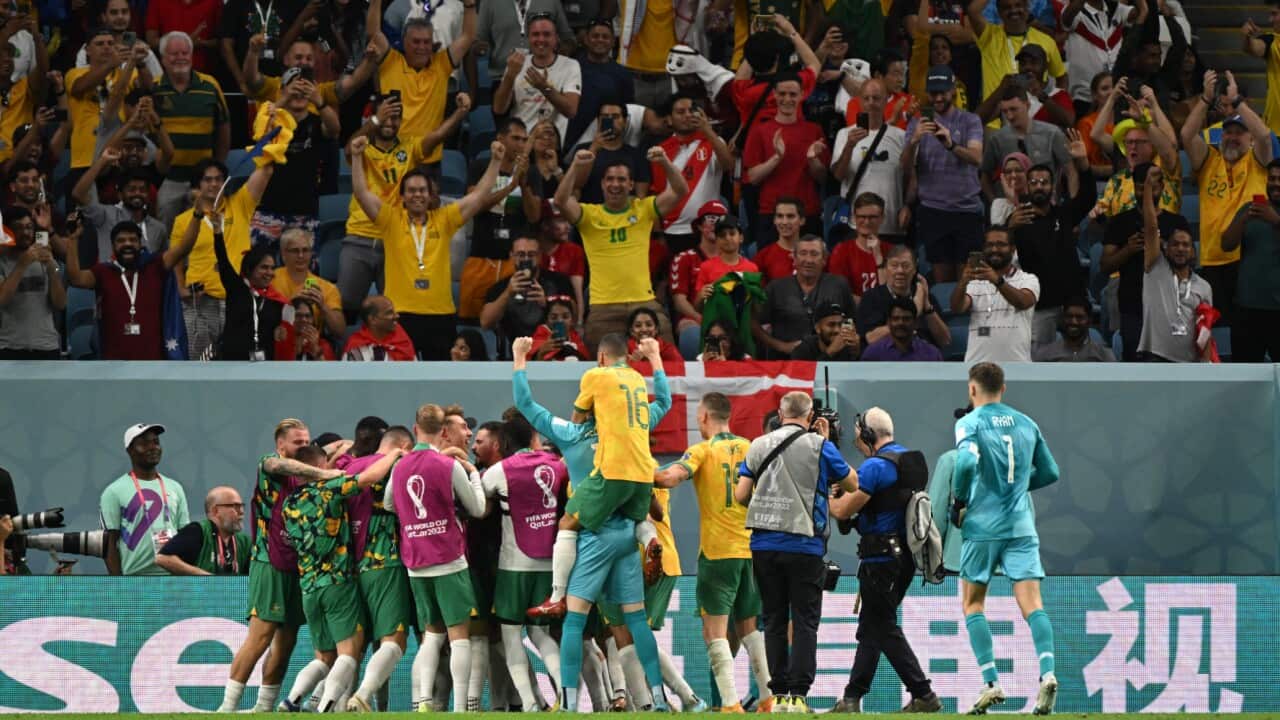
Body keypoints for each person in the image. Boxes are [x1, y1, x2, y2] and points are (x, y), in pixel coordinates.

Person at [510, 336, 674, 712]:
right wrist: (656, 359)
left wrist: (520, 358)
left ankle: (568, 701)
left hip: (593, 537)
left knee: (572, 620)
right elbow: (663, 401)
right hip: (626, 532)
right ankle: (658, 700)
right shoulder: (636, 422)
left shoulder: (571, 433)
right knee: (636, 623)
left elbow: (526, 404)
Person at [950, 362, 1060, 715]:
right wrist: (1017, 488)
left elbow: (966, 465)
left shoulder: (970, 422)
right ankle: (1047, 674)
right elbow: (1051, 472)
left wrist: (961, 500)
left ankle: (991, 682)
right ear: (1004, 388)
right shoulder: (1027, 423)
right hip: (1021, 527)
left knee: (973, 604)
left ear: (972, 389)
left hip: (982, 527)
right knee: (1033, 605)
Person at [734, 391, 854, 714]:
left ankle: (780, 694)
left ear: (780, 412)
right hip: (804, 545)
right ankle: (799, 696)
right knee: (804, 621)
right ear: (811, 414)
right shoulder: (819, 446)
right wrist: (826, 440)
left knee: (773, 619)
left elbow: (741, 495)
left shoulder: (758, 445)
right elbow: (852, 484)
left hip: (763, 545)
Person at [653, 393, 774, 713]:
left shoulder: (703, 451)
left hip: (718, 552)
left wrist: (633, 468)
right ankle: (767, 698)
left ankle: (730, 704)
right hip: (751, 550)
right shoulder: (752, 447)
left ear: (704, 416)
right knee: (749, 627)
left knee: (714, 631)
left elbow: (669, 478)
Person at [349, 136, 517, 360]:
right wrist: (358, 156)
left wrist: (496, 161)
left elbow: (478, 197)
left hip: (440, 314)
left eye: (422, 190)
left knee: (440, 385)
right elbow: (361, 193)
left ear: (430, 196)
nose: (417, 195)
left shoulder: (444, 219)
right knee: (403, 381)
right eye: (411, 191)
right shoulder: (390, 219)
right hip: (401, 314)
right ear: (403, 197)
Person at [217, 419, 335, 713]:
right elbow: (282, 467)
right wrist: (323, 471)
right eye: (297, 442)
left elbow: (331, 450)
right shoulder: (269, 464)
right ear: (280, 445)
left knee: (286, 642)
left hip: (298, 567)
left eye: (306, 441)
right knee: (260, 637)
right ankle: (227, 708)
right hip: (269, 562)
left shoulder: (304, 476)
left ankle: (264, 708)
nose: (303, 447)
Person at [829, 408, 942, 713]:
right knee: (871, 628)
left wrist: (830, 494)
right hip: (904, 557)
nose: (857, 444)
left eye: (858, 438)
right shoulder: (909, 462)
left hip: (880, 558)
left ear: (868, 436)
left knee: (882, 626)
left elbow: (841, 512)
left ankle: (924, 693)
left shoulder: (875, 468)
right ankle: (852, 698)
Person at [279, 445, 405, 713]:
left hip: (308, 588)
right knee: (349, 651)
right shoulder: (329, 489)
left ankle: (291, 700)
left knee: (324, 657)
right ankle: (327, 706)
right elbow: (368, 479)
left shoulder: (289, 502)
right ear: (319, 467)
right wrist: (394, 455)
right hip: (337, 583)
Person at [384, 403, 487, 712]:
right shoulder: (449, 465)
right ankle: (459, 708)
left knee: (431, 634)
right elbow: (478, 509)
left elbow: (389, 504)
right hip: (448, 558)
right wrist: (473, 474)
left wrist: (415, 522)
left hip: (416, 561)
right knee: (459, 637)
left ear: (415, 429)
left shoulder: (400, 466)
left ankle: (423, 702)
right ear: (443, 432)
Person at [555, 147, 687, 349]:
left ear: (631, 184)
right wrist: (575, 166)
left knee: (666, 362)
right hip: (603, 308)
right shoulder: (590, 214)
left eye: (622, 179)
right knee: (601, 369)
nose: (615, 184)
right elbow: (560, 201)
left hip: (645, 302)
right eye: (610, 179)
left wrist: (664, 162)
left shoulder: (644, 209)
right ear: (602, 184)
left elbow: (680, 190)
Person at [480, 414, 569, 712]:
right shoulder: (558, 466)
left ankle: (530, 703)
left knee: (510, 634)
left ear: (504, 442)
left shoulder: (498, 471)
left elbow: (479, 506)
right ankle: (565, 695)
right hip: (549, 563)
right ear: (532, 438)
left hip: (512, 564)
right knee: (541, 633)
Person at [1180, 70, 1273, 328]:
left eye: (1239, 133)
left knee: (1247, 331)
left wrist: (1237, 101)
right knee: (1212, 335)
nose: (1231, 137)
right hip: (1212, 261)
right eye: (1227, 132)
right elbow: (1187, 136)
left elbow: (1265, 136)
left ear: (1250, 139)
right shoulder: (1209, 160)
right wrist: (1205, 100)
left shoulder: (1258, 161)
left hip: (1249, 261)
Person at [172, 154, 274, 360]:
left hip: (237, 300)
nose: (214, 183)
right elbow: (176, 259)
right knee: (200, 362)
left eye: (219, 179)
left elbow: (266, 171)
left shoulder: (240, 204)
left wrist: (270, 139)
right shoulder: (184, 220)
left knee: (237, 360)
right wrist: (181, 288)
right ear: (197, 185)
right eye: (208, 179)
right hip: (200, 300)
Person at [63, 216, 197, 360]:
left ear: (140, 244)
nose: (128, 244)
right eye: (121, 241)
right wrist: (73, 239)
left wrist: (197, 215)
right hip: (113, 363)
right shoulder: (103, 272)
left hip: (153, 362)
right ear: (113, 245)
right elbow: (76, 278)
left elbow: (184, 247)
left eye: (133, 240)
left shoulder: (155, 265)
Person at [369, 0, 477, 172]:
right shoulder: (391, 61)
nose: (422, 47)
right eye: (416, 42)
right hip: (392, 158)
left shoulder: (441, 64)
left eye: (427, 42)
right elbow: (374, 32)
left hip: (428, 160)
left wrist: (470, 6)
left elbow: (468, 37)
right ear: (404, 42)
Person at [903, 65, 984, 283]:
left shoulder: (970, 121)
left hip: (967, 211)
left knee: (969, 281)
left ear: (953, 90)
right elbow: (904, 167)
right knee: (942, 282)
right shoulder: (916, 123)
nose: (938, 97)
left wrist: (950, 144)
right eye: (933, 92)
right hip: (934, 211)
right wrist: (913, 141)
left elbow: (976, 157)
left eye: (943, 92)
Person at [247, 66, 340, 247]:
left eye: (304, 87)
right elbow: (259, 131)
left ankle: (310, 278)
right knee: (258, 268)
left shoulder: (317, 122)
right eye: (294, 86)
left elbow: (335, 130)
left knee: (309, 273)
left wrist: (319, 101)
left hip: (305, 214)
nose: (299, 92)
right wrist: (284, 98)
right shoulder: (272, 120)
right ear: (281, 90)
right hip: (268, 211)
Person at [461, 117, 542, 324]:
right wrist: (510, 185)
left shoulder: (531, 172)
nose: (521, 145)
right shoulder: (481, 166)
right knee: (473, 321)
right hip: (481, 257)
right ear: (500, 139)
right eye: (515, 138)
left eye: (524, 140)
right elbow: (475, 205)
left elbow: (534, 216)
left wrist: (523, 185)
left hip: (514, 262)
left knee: (516, 319)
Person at [1010, 150, 1094, 347]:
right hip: (1040, 305)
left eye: (1044, 182)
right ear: (1027, 187)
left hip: (1071, 302)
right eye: (1034, 182)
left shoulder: (1064, 214)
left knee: (1078, 356)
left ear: (1053, 187)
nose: (1039, 186)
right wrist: (1009, 228)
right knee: (1039, 361)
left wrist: (1083, 162)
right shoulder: (1019, 219)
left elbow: (1088, 197)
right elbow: (999, 252)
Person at [153, 31, 230, 229]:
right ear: (163, 58)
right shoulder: (154, 88)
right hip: (169, 179)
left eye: (185, 53)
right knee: (166, 230)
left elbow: (223, 127)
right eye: (174, 54)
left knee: (206, 231)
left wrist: (217, 166)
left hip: (204, 180)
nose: (180, 58)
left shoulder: (210, 85)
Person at [742, 72, 828, 248]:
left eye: (793, 94)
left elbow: (823, 177)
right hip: (771, 213)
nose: (787, 99)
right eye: (782, 94)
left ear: (802, 95)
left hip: (807, 213)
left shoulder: (814, 130)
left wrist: (812, 159)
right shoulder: (760, 131)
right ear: (774, 94)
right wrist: (776, 158)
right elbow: (753, 177)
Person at [1138, 166, 1213, 362]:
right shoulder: (1155, 268)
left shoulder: (1204, 287)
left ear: (1193, 251)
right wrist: (1147, 187)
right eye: (1175, 244)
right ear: (1166, 248)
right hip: (1155, 358)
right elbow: (1151, 227)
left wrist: (1205, 369)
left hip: (1189, 364)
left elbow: (1205, 330)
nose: (1181, 249)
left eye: (1186, 245)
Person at [100, 423, 191, 576]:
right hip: (134, 580)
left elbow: (185, 536)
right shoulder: (113, 492)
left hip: (173, 577)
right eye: (144, 444)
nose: (153, 447)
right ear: (129, 450)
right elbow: (109, 544)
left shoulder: (175, 487)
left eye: (156, 442)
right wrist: (118, 585)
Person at [651, 94, 735, 249]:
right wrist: (658, 234)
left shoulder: (713, 142)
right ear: (669, 119)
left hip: (708, 229)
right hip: (673, 230)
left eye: (691, 111)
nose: (688, 115)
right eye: (681, 112)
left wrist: (708, 131)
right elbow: (657, 193)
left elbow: (729, 165)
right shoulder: (661, 150)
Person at [754, 235, 856, 358]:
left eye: (814, 254)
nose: (808, 260)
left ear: (824, 259)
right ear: (794, 259)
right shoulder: (776, 287)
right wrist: (780, 346)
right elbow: (752, 322)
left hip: (833, 360)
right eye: (803, 253)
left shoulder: (838, 284)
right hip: (786, 363)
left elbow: (852, 319)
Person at [832, 80, 909, 241]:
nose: (871, 103)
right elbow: (838, 176)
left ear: (886, 99)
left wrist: (908, 206)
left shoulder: (901, 136)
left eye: (876, 98)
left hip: (891, 224)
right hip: (856, 224)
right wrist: (849, 146)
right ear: (859, 100)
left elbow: (910, 177)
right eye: (866, 98)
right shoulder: (845, 134)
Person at [966, 0, 1066, 122]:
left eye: (1018, 5)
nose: (1013, 10)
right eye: (1007, 7)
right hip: (995, 122)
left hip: (1036, 121)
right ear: (999, 11)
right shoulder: (989, 36)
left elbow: (1061, 77)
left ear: (1027, 8)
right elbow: (973, 11)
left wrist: (1058, 103)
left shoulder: (1046, 41)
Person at [951, 227, 1041, 363]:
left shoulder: (1028, 279)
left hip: (1018, 366)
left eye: (1001, 244)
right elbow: (957, 308)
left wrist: (997, 280)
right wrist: (962, 282)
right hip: (977, 367)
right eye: (989, 245)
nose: (994, 249)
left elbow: (1023, 302)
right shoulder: (974, 282)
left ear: (1013, 249)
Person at [1222, 158, 1280, 362]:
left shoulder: (1272, 216)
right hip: (1247, 309)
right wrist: (1244, 219)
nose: (1275, 183)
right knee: (1245, 376)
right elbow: (1226, 244)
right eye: (1272, 178)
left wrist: (1276, 221)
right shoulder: (1250, 209)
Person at [493, 15, 582, 145]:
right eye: (535, 34)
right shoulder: (517, 62)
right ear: (529, 38)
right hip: (521, 140)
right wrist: (510, 76)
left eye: (546, 34)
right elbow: (499, 109)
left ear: (556, 38)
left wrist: (544, 87)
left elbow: (571, 111)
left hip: (549, 141)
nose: (541, 39)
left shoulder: (570, 65)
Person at [481, 235, 571, 357]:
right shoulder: (500, 287)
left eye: (531, 254)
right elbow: (486, 323)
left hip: (553, 352)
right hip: (514, 354)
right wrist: (508, 293)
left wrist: (546, 303)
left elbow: (574, 318)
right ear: (512, 256)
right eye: (521, 255)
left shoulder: (558, 281)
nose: (526, 260)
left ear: (539, 256)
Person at [72, 149, 168, 263]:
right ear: (120, 194)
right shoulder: (105, 215)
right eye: (131, 189)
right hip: (110, 278)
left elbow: (163, 264)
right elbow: (78, 194)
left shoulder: (159, 229)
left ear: (148, 195)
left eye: (142, 190)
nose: (137, 193)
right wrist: (102, 161)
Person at [979, 86, 1071, 203]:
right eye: (1005, 111)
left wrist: (1071, 204)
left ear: (1027, 105)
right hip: (1011, 209)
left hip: (1046, 207)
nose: (1009, 116)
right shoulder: (997, 139)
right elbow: (985, 177)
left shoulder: (1052, 134)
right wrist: (996, 204)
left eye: (1014, 109)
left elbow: (1070, 171)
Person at [214, 219, 285, 361]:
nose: (269, 272)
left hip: (264, 366)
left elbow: (281, 331)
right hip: (232, 365)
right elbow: (223, 260)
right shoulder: (236, 289)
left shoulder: (276, 300)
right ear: (250, 269)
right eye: (264, 267)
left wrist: (281, 331)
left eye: (272, 268)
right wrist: (217, 233)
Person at [0, 207, 65, 359]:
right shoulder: (2, 263)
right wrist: (23, 264)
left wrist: (52, 268)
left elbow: (61, 304)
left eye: (29, 227)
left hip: (47, 345)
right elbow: (2, 299)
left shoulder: (46, 260)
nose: (25, 233)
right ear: (7, 231)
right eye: (18, 228)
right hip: (10, 346)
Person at [856, 244, 950, 349]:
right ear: (886, 268)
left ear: (914, 269)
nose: (900, 271)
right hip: (886, 360)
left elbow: (945, 341)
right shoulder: (872, 297)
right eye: (894, 265)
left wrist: (927, 307)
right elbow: (870, 339)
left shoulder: (926, 296)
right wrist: (915, 311)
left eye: (905, 266)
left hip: (923, 360)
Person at [1063, 0, 1144, 116]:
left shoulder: (1117, 9)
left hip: (1115, 94)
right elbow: (1066, 19)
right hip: (1085, 97)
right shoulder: (1075, 11)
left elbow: (1142, 11)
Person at [566, 20, 634, 150]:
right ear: (586, 39)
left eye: (605, 37)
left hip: (608, 139)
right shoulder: (571, 66)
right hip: (573, 136)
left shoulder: (622, 73)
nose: (600, 40)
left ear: (613, 41)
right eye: (595, 36)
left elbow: (627, 111)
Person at [156, 486, 250, 575]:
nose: (241, 511)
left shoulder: (245, 542)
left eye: (242, 506)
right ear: (215, 511)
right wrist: (205, 578)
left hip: (232, 592)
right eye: (235, 506)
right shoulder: (197, 531)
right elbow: (162, 558)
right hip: (199, 591)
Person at [669, 200, 726, 345]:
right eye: (710, 219)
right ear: (700, 225)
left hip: (727, 317)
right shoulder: (684, 258)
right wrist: (699, 317)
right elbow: (679, 301)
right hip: (694, 317)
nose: (715, 225)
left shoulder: (736, 259)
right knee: (690, 331)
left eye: (721, 221)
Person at [571, 102, 651, 204]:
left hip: (623, 215)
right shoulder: (582, 150)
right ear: (598, 121)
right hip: (590, 214)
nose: (610, 120)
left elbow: (641, 197)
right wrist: (593, 149)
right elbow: (576, 185)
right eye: (605, 117)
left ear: (625, 121)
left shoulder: (636, 155)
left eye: (615, 117)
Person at [272, 228, 345, 337]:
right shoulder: (270, 279)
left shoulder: (328, 288)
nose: (301, 256)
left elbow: (340, 331)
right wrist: (291, 304)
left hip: (311, 346)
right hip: (277, 343)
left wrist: (323, 306)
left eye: (305, 250)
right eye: (295, 251)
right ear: (283, 254)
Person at [827, 194, 891, 299]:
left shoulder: (892, 251)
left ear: (882, 218)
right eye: (862, 216)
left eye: (872, 217)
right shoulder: (841, 251)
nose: (867, 222)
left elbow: (892, 293)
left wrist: (879, 258)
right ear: (854, 218)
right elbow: (839, 293)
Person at [694, 217, 759, 309]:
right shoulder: (706, 267)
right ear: (716, 241)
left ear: (741, 237)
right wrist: (701, 296)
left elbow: (756, 306)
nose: (727, 238)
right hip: (716, 319)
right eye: (722, 235)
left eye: (732, 233)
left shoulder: (752, 268)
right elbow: (697, 306)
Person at [860, 297, 946, 361]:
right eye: (896, 318)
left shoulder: (932, 354)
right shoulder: (873, 353)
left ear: (916, 323)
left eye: (906, 319)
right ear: (888, 322)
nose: (900, 323)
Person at [1032, 298, 1117, 362]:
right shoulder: (1046, 354)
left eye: (1079, 317)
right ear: (1062, 319)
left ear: (1089, 320)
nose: (1074, 322)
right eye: (1069, 316)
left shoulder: (1103, 355)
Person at [342, 295, 416, 361]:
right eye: (389, 313)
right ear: (373, 319)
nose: (397, 316)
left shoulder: (402, 340)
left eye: (394, 311)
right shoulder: (356, 346)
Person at [1243, 6, 1280, 134]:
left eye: (1275, 14)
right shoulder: (1271, 41)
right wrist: (1248, 38)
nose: (1270, 19)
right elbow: (1253, 48)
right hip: (1276, 127)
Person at [751, 199, 803, 284]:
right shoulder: (762, 257)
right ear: (774, 220)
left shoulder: (814, 255)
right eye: (780, 216)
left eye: (790, 216)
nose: (785, 222)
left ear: (802, 220)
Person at [791, 304, 861, 361]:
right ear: (817, 328)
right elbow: (803, 376)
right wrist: (830, 352)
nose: (837, 330)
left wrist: (856, 353)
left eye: (840, 324)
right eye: (831, 325)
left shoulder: (848, 346)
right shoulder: (803, 350)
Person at [528, 296, 588, 361]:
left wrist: (575, 352)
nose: (560, 321)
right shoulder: (539, 336)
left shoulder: (575, 337)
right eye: (554, 317)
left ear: (572, 320)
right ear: (546, 320)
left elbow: (586, 361)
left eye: (565, 317)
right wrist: (541, 352)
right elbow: (531, 366)